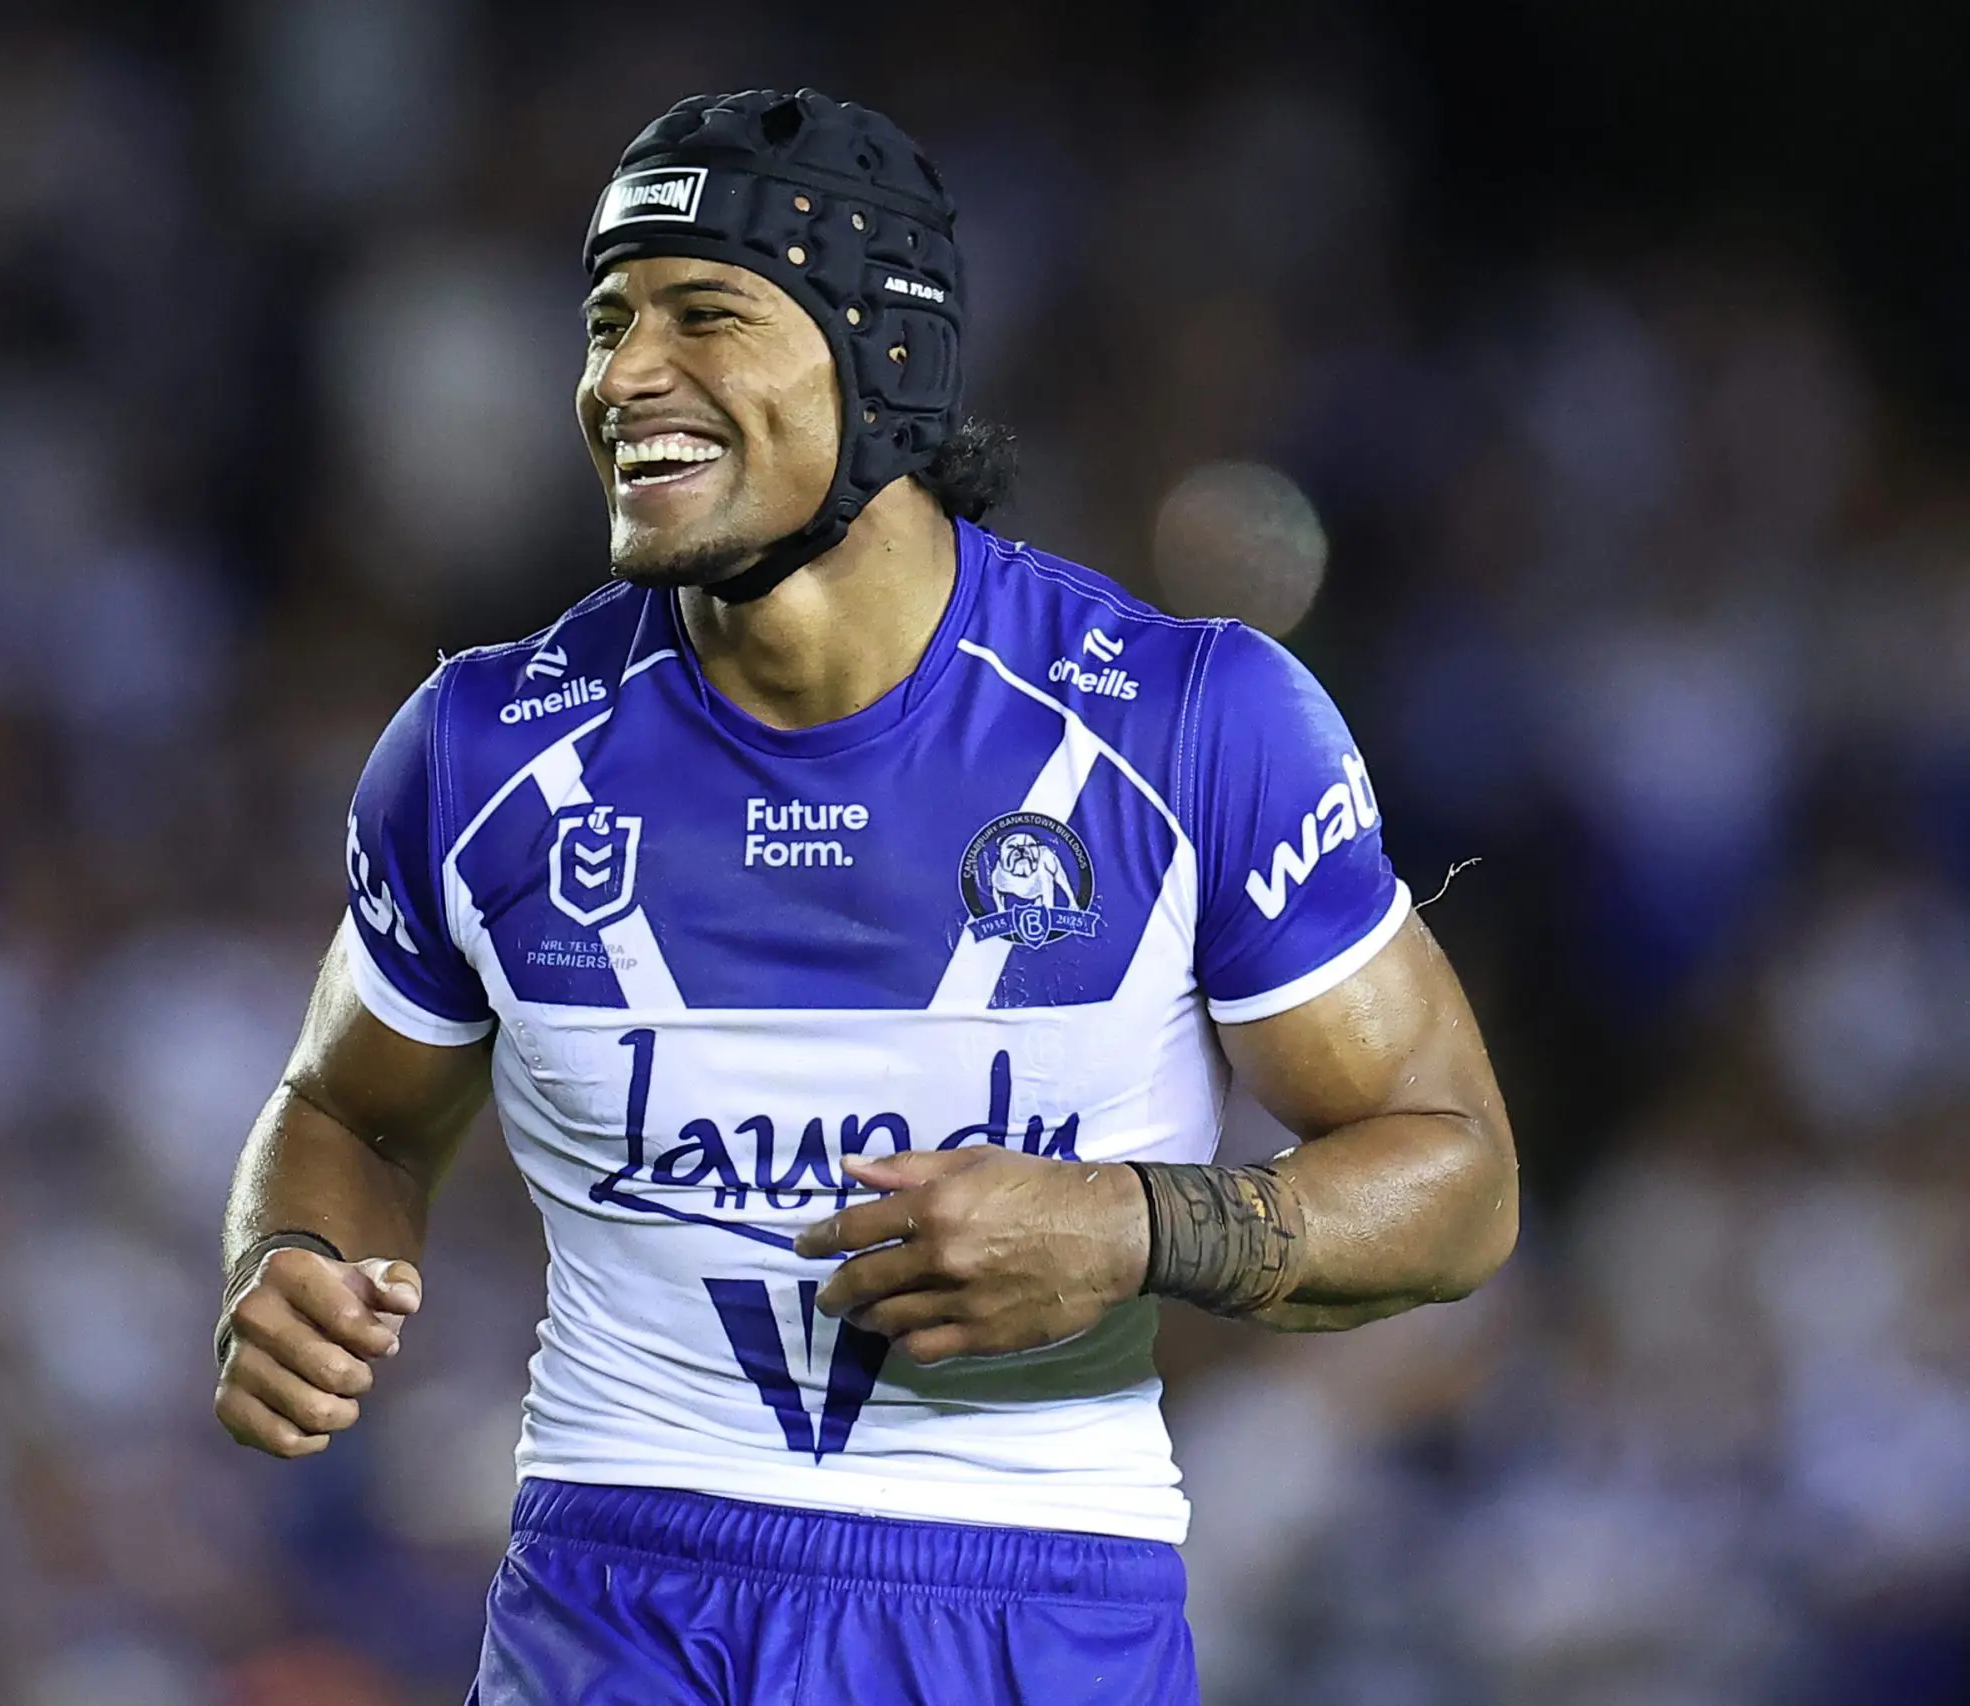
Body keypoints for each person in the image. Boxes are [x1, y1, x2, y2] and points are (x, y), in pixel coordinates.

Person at [214, 88, 1516, 1704]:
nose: (625, 376)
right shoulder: (481, 750)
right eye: (607, 322)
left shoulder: (1188, 723)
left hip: (1027, 1608)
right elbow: (347, 1110)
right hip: (614, 1603)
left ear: (883, 354)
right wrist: (286, 1253)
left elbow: (1457, 1179)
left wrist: (1130, 1225)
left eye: (705, 316)